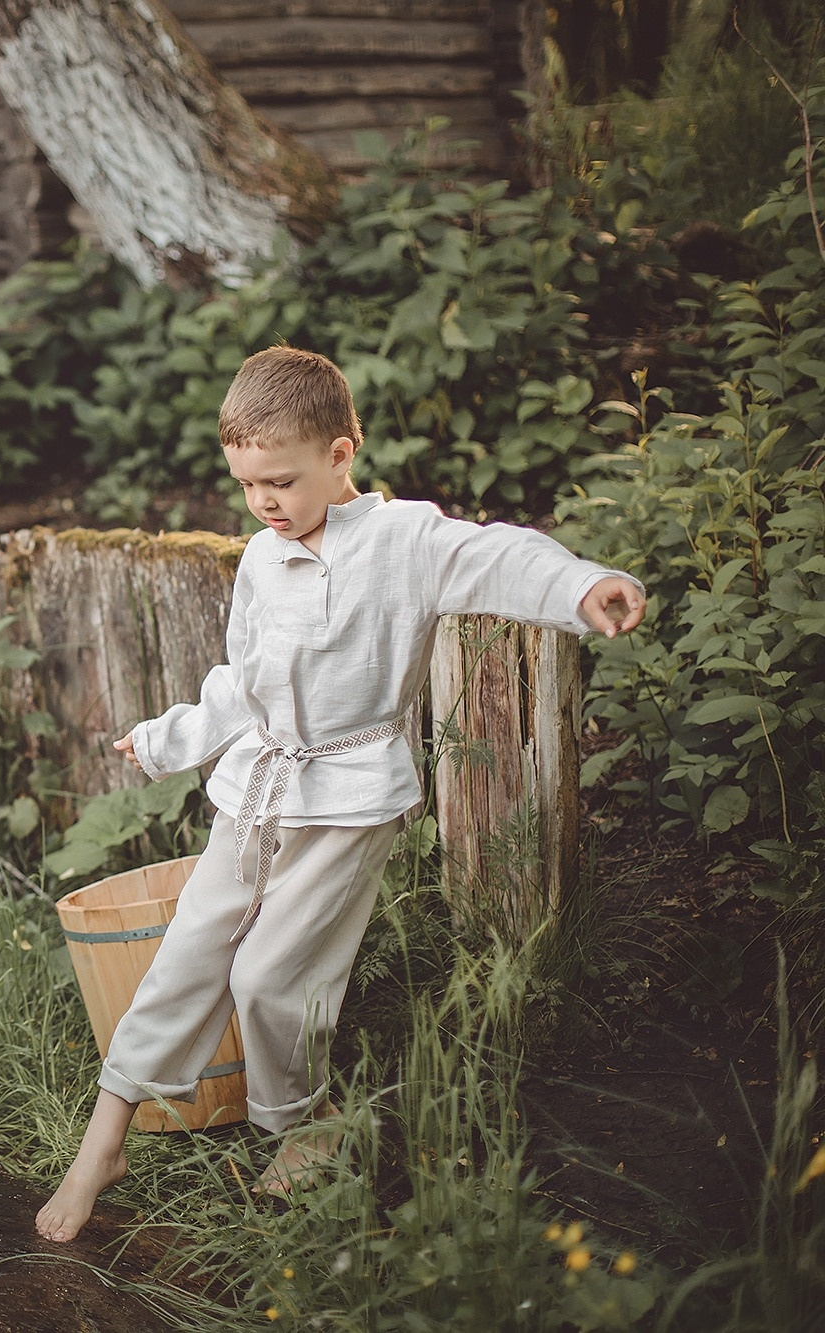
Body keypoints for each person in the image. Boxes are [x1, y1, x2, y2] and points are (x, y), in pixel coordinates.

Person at [35, 346, 647, 1243]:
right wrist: (168, 739)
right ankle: (105, 1140)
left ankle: (302, 1126)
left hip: (349, 798)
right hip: (257, 787)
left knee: (271, 975)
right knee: (191, 948)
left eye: (280, 480)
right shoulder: (258, 557)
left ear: (341, 452)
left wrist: (583, 584)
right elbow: (240, 682)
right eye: (247, 484)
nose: (264, 503)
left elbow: (500, 554)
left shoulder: (403, 542)